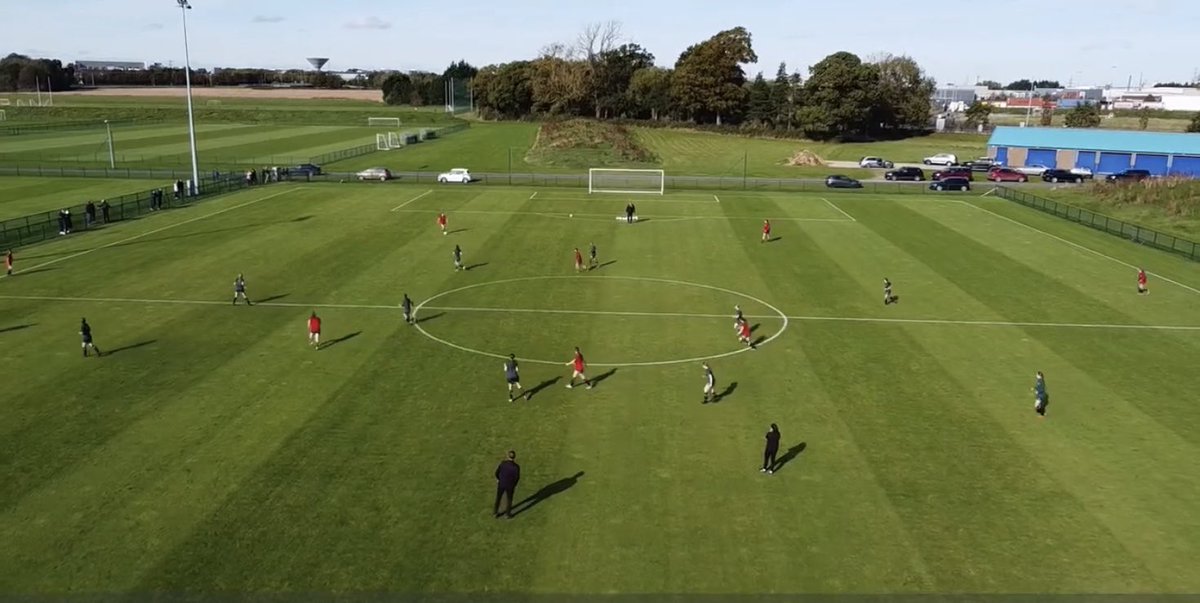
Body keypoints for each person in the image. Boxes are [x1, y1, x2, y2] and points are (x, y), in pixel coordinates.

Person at [494, 450, 521, 519]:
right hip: (510, 486)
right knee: (509, 499)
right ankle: (507, 514)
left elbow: (497, 472)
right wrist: (514, 485)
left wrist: (498, 479)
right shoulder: (516, 467)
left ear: (508, 456)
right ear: (514, 457)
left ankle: (495, 513)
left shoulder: (503, 463)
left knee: (498, 498)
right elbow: (517, 478)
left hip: (501, 484)